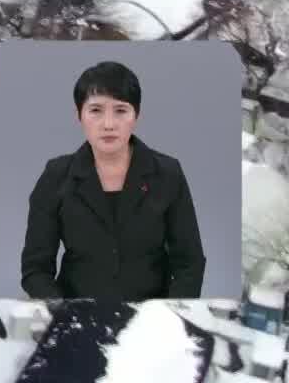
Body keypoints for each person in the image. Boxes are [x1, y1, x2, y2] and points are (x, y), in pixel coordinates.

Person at [19, 61, 206, 301]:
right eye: (95, 110)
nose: (108, 124)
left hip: (151, 317)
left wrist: (168, 317)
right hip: (75, 312)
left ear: (136, 116)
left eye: (120, 110)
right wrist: (63, 311)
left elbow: (190, 263)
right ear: (79, 115)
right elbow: (35, 269)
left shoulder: (168, 173)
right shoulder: (56, 175)